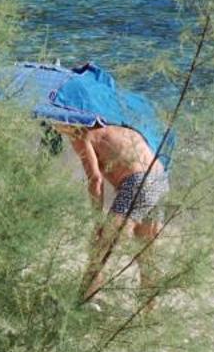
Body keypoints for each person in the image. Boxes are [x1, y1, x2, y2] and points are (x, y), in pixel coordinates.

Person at [58, 118, 169, 300]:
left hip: (137, 183)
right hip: (161, 180)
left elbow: (95, 180)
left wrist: (97, 220)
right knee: (147, 256)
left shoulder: (85, 136)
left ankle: (83, 305)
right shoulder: (121, 128)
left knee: (100, 250)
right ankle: (148, 314)